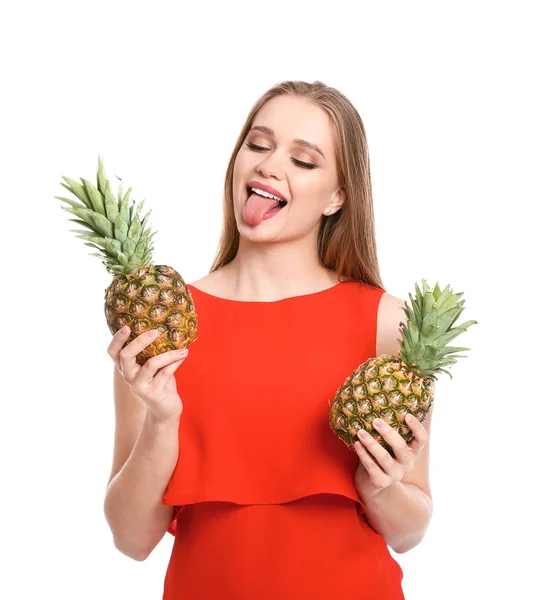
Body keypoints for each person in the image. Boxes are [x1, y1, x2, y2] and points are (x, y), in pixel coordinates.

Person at [104, 80, 434, 600]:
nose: (268, 165)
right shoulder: (161, 322)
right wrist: (163, 418)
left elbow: (411, 531)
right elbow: (132, 538)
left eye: (303, 161)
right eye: (258, 145)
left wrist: (382, 487)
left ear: (337, 196)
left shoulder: (389, 324)